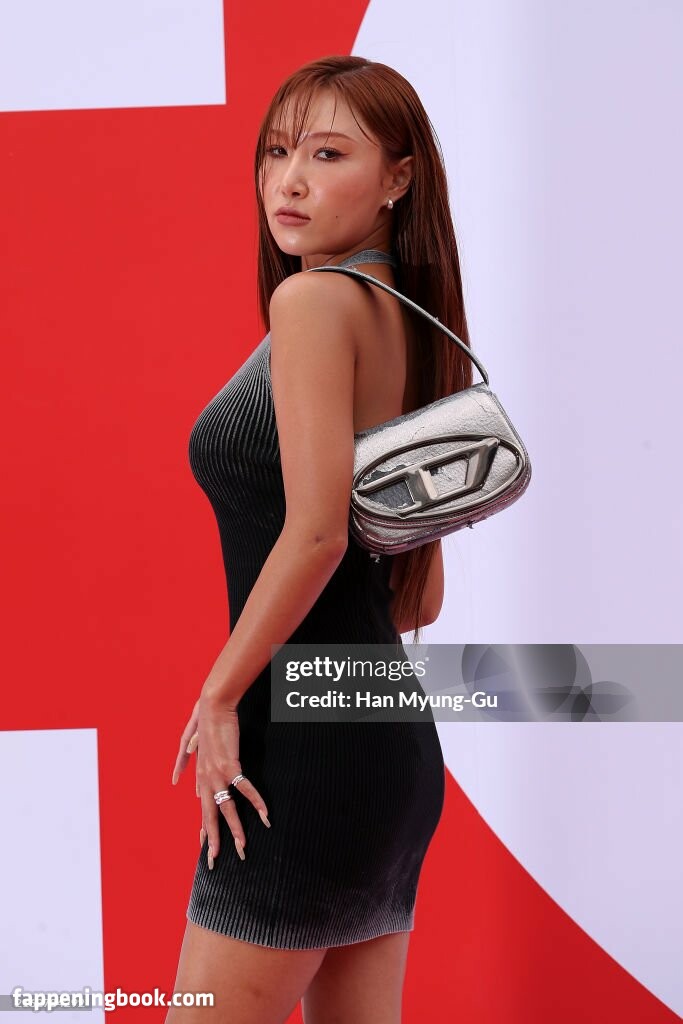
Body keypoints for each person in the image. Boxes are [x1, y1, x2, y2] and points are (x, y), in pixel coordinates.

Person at [167, 55, 472, 1024]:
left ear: (397, 177)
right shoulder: (415, 325)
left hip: (301, 750)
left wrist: (220, 694)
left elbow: (315, 536)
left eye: (327, 154)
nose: (288, 180)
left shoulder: (311, 304)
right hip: (379, 734)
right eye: (275, 152)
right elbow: (418, 596)